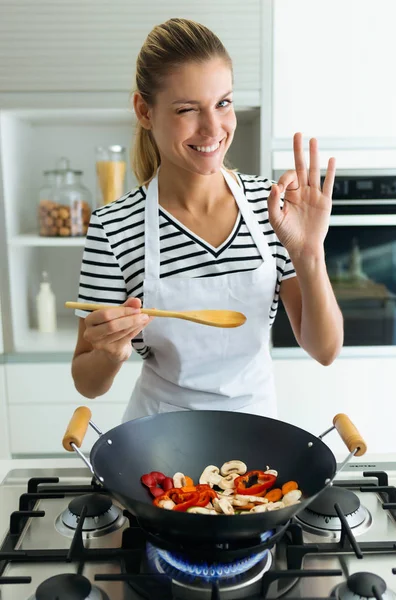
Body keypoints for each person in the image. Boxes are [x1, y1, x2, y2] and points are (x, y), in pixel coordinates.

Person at [71, 18, 343, 421]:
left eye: (223, 103)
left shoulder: (271, 207)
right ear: (145, 111)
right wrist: (110, 353)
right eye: (187, 109)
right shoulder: (114, 228)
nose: (213, 128)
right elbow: (87, 382)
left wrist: (309, 255)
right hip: (159, 439)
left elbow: (324, 350)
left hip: (256, 429)